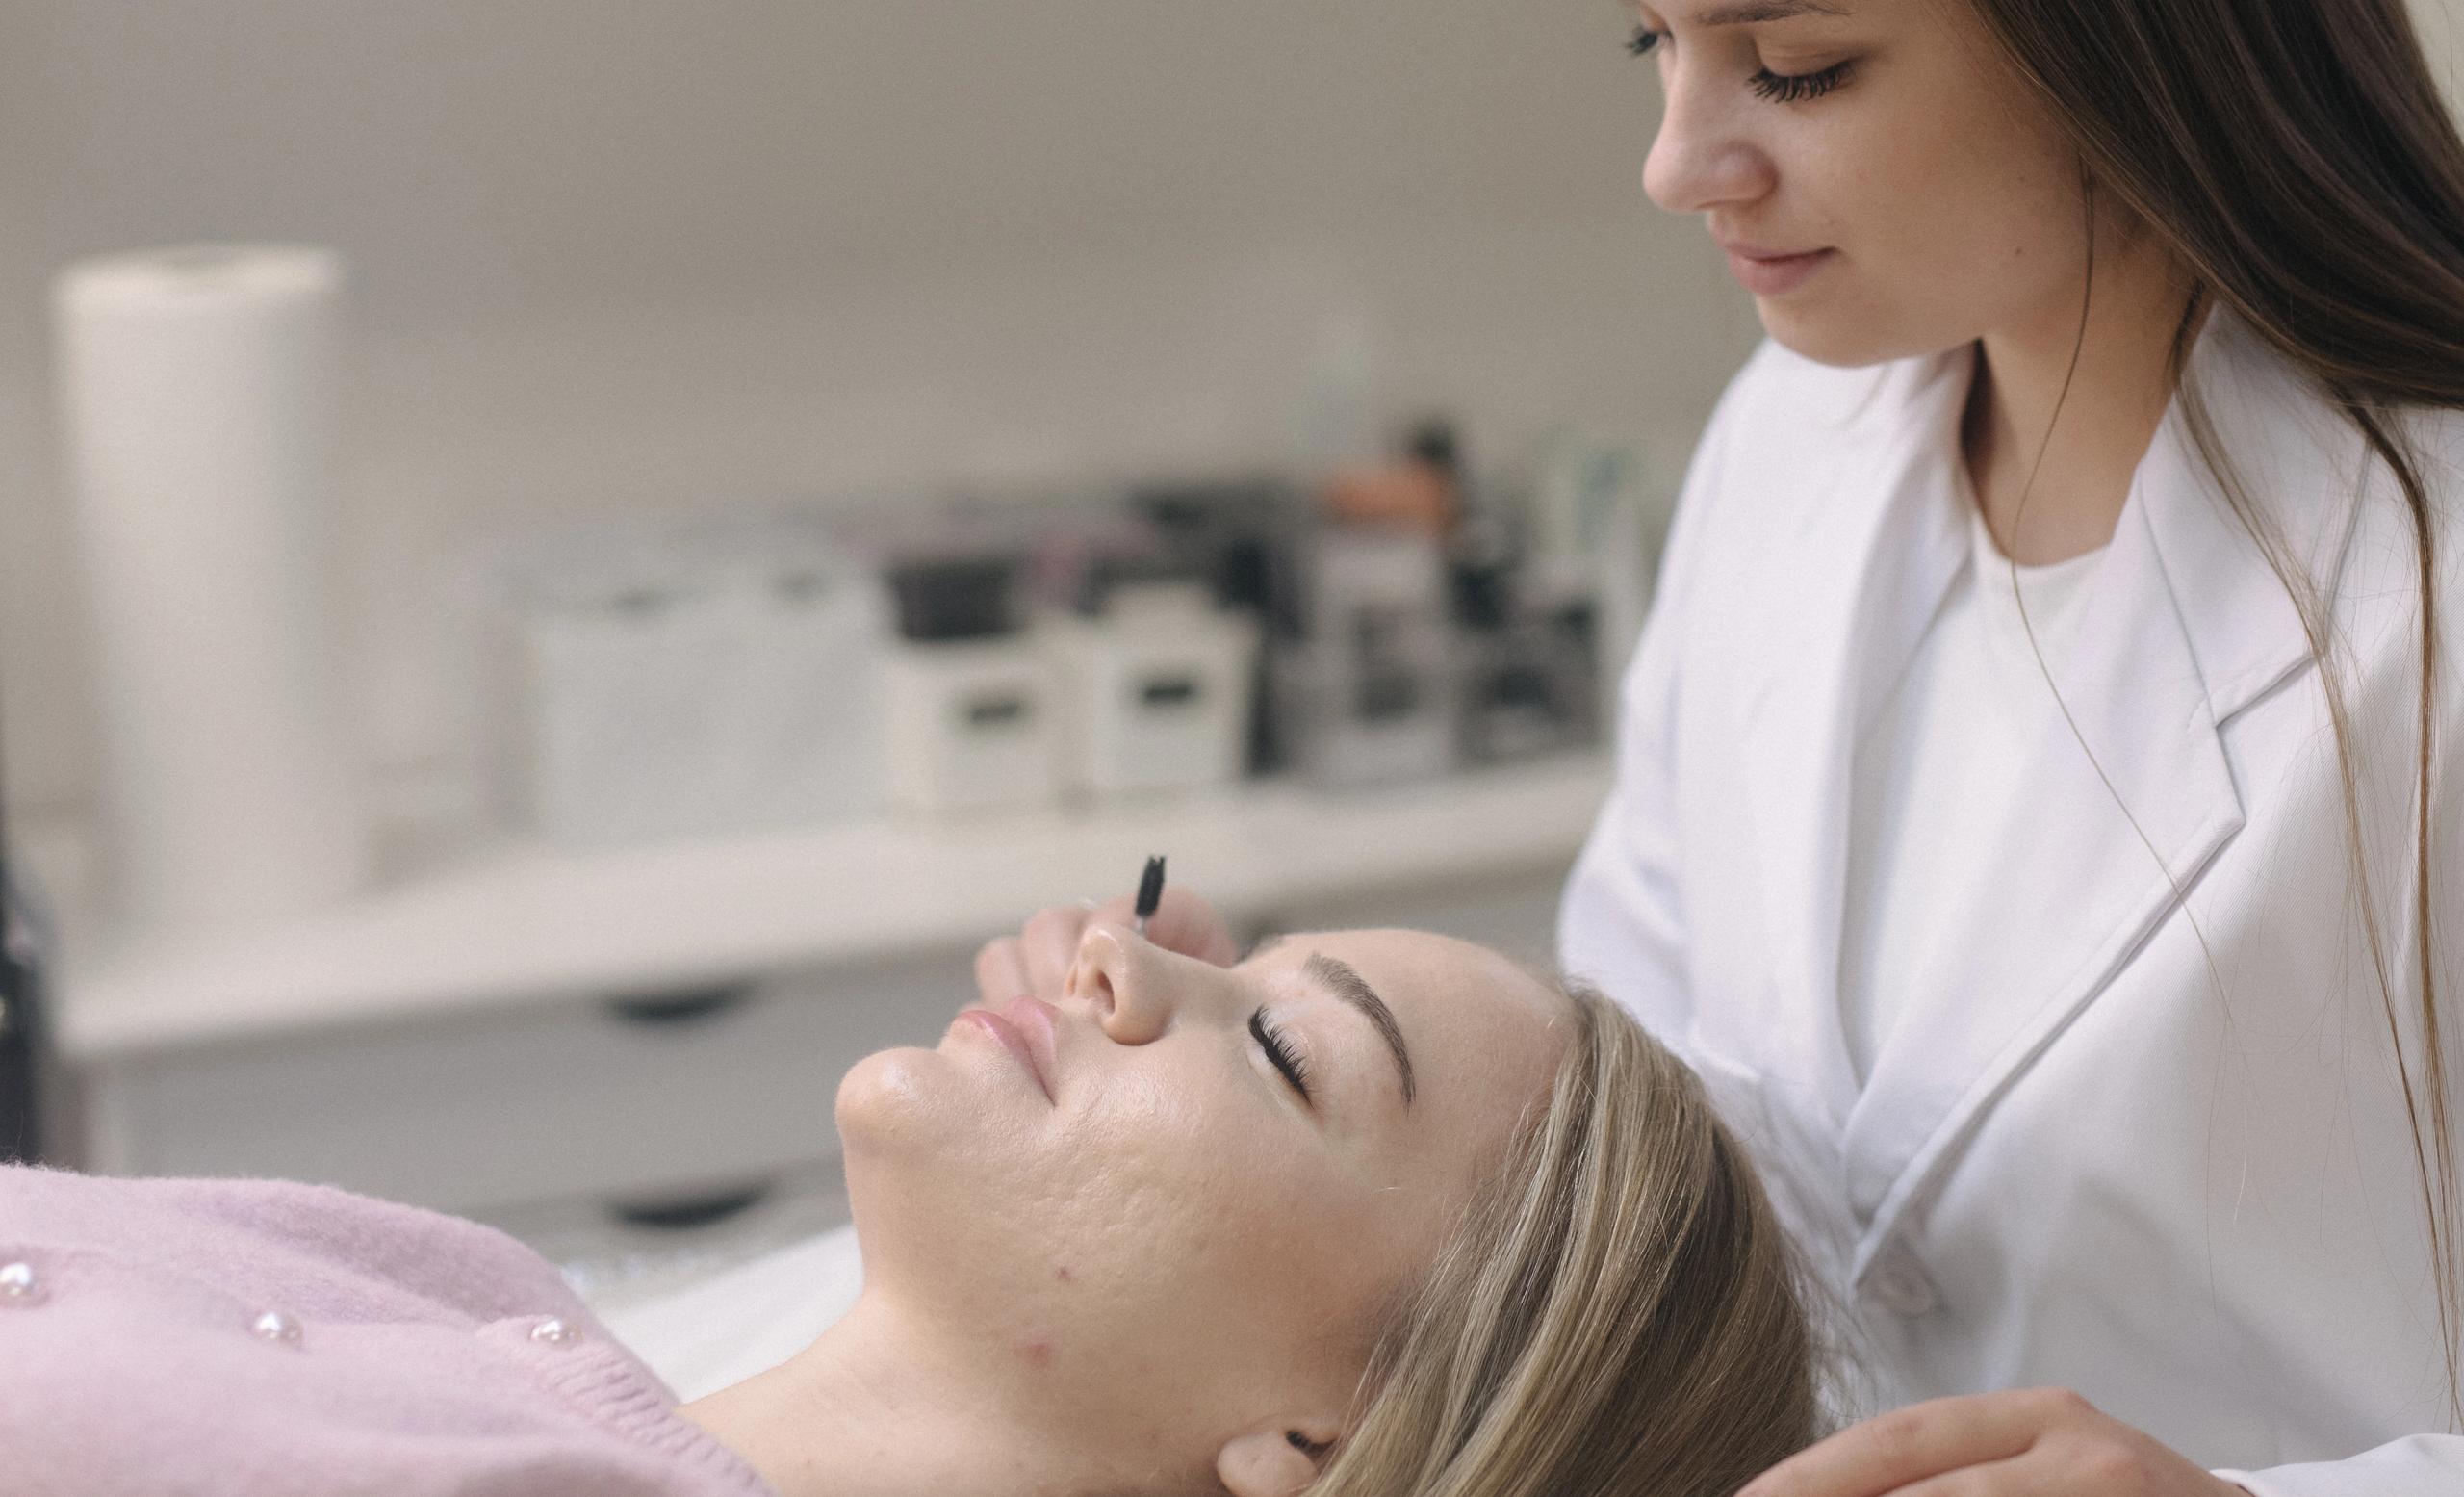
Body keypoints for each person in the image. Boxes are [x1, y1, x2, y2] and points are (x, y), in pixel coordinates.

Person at [982, 1, 2464, 1493]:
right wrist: (1239, 1079)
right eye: (1653, 45)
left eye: (1799, 65)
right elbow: (1668, 1151)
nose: (1677, 164)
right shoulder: (1789, 438)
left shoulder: (2429, 590)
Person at [0, 920, 1817, 1497]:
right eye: (1212, 941)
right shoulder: (461, 1284)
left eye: (1278, 1044)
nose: (1115, 949)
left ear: (1319, 1439)